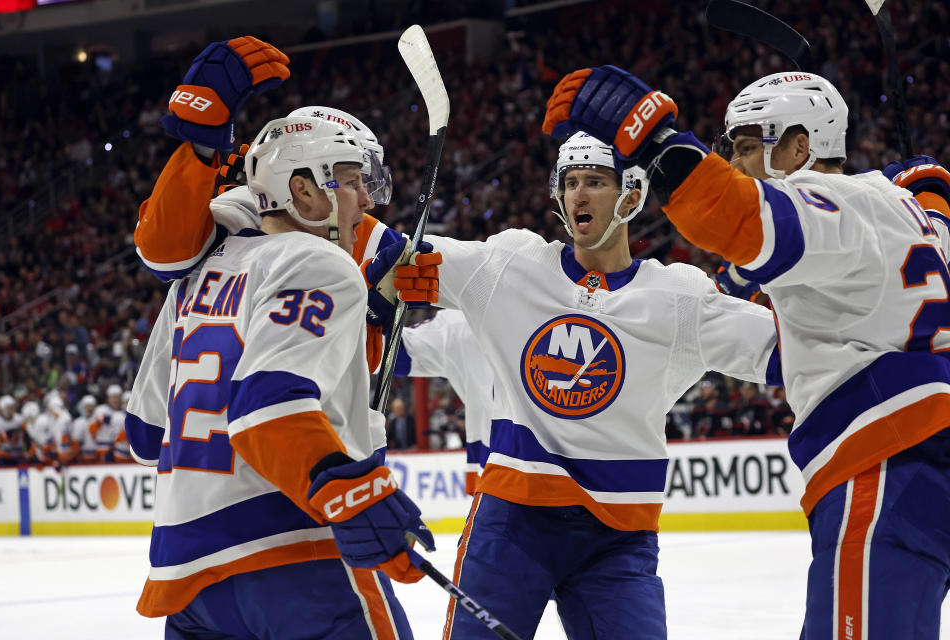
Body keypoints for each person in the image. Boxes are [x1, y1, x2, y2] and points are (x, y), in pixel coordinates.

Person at [543, 65, 950, 639]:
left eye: (746, 145)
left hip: (884, 459)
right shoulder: (903, 209)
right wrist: (931, 186)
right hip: (926, 465)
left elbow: (730, 214)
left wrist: (657, 140)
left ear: (800, 146)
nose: (735, 163)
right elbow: (935, 209)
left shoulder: (821, 197)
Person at [125, 36, 440, 638]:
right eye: (352, 179)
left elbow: (145, 436)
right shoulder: (322, 263)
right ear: (303, 189)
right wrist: (352, 492)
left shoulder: (197, 274)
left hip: (190, 581)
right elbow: (266, 408)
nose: (367, 198)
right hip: (296, 550)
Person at [422, 132, 780, 639]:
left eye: (595, 181)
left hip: (618, 539)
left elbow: (794, 354)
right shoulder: (510, 265)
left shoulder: (678, 298)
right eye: (570, 183)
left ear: (632, 195)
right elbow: (387, 255)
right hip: (511, 525)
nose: (579, 195)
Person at [394, 309, 494, 493]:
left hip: (498, 477)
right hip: (497, 477)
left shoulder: (460, 325)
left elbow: (385, 353)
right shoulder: (460, 325)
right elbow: (388, 353)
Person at [0, 395, 26, 467]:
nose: (10, 410)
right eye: (7, 408)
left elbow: (26, 437)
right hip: (3, 454)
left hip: (18, 453)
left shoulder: (19, 419)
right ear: (1, 409)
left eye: (11, 407)